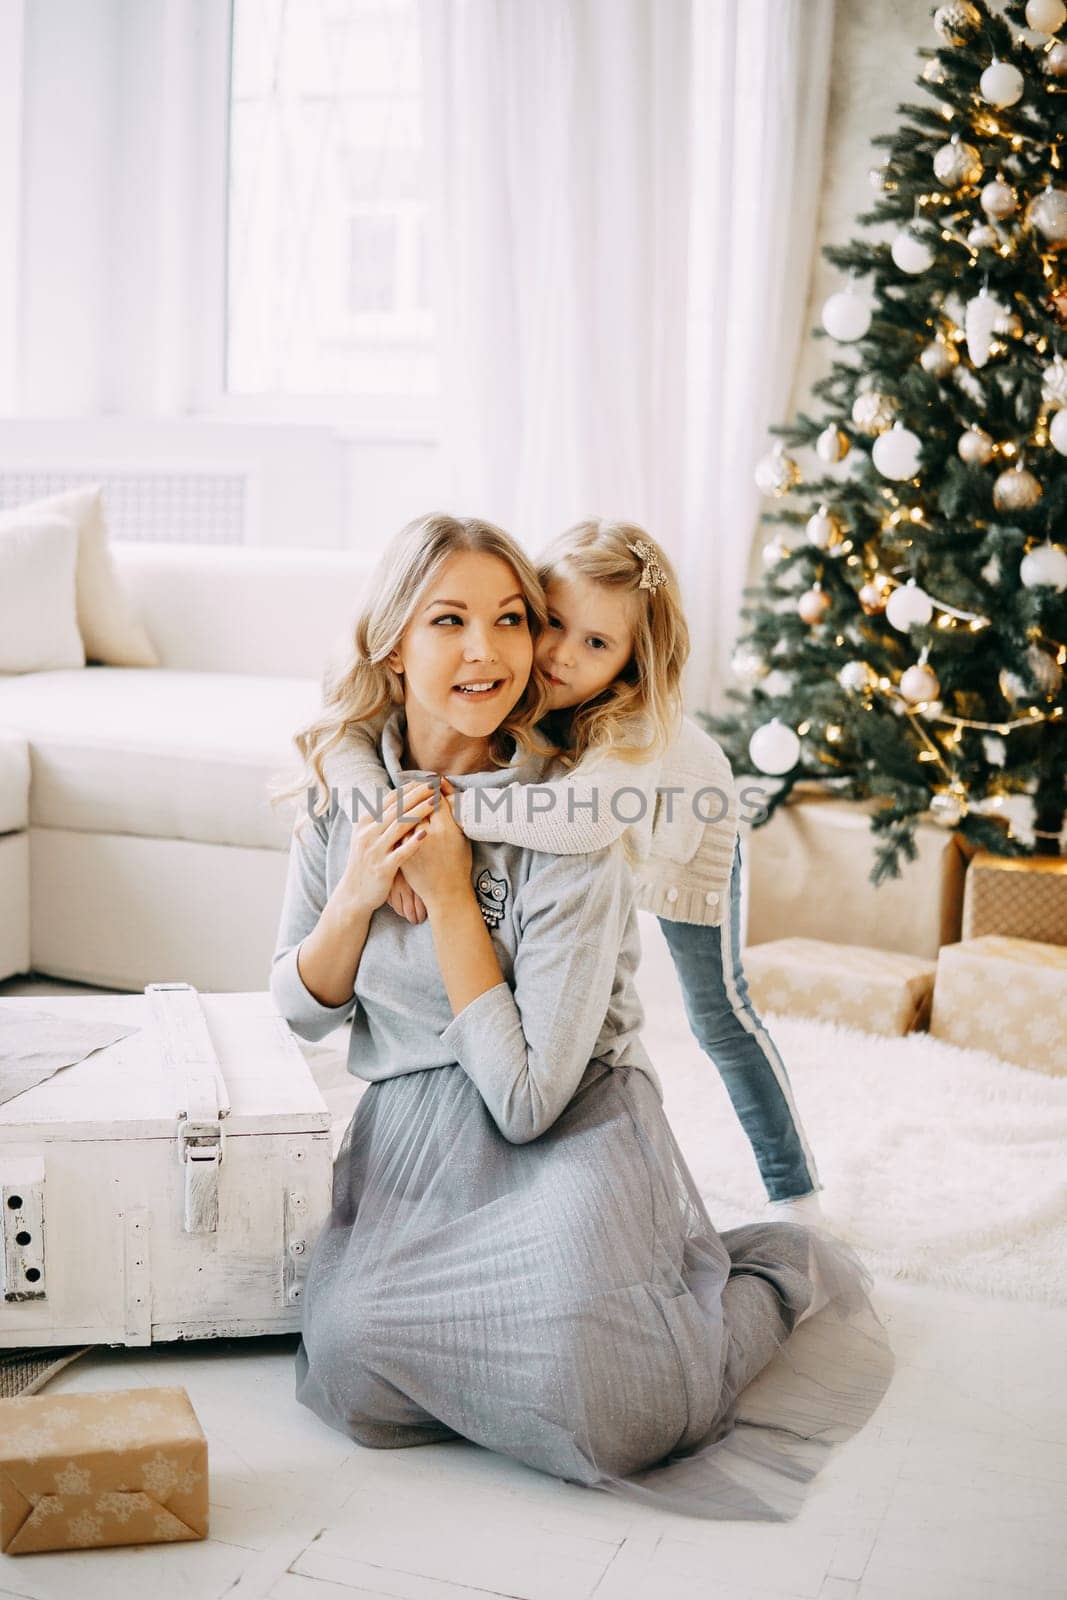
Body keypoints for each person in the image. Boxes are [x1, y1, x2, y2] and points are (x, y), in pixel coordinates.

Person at [269, 512, 893, 1522]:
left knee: (617, 1403)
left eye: (512, 620)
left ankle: (763, 1276)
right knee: (351, 1369)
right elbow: (294, 1012)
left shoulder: (573, 815)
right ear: (391, 642)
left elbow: (525, 1101)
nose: (496, 650)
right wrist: (355, 891)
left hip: (572, 1109)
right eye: (450, 621)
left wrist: (452, 893)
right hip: (419, 1127)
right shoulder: (347, 794)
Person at [329, 518, 821, 1210]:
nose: (560, 655)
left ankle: (794, 1191)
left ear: (631, 661)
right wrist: (381, 814)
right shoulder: (506, 685)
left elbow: (579, 819)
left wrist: (441, 816)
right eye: (551, 622)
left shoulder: (631, 727)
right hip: (591, 835)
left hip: (685, 834)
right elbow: (340, 738)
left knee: (720, 1015)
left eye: (597, 643)